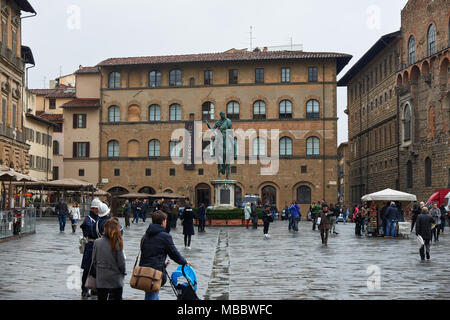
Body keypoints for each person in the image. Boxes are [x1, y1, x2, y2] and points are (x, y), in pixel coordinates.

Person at [139, 210, 191, 300]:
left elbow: (149, 255)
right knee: (152, 296)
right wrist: (184, 262)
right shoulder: (165, 236)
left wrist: (162, 264)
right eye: (166, 221)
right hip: (155, 273)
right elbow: (174, 253)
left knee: (152, 294)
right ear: (163, 221)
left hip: (144, 272)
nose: (166, 223)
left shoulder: (146, 235)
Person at [91, 219, 126, 300]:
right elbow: (121, 262)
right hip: (115, 278)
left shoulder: (97, 242)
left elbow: (94, 260)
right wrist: (123, 272)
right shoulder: (118, 242)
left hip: (101, 277)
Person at [80, 198, 102, 298]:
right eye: (96, 208)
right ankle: (84, 289)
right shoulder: (88, 219)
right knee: (87, 269)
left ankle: (94, 288)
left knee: (97, 269)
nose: (98, 210)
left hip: (99, 246)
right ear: (92, 208)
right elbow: (89, 230)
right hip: (90, 245)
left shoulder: (100, 218)